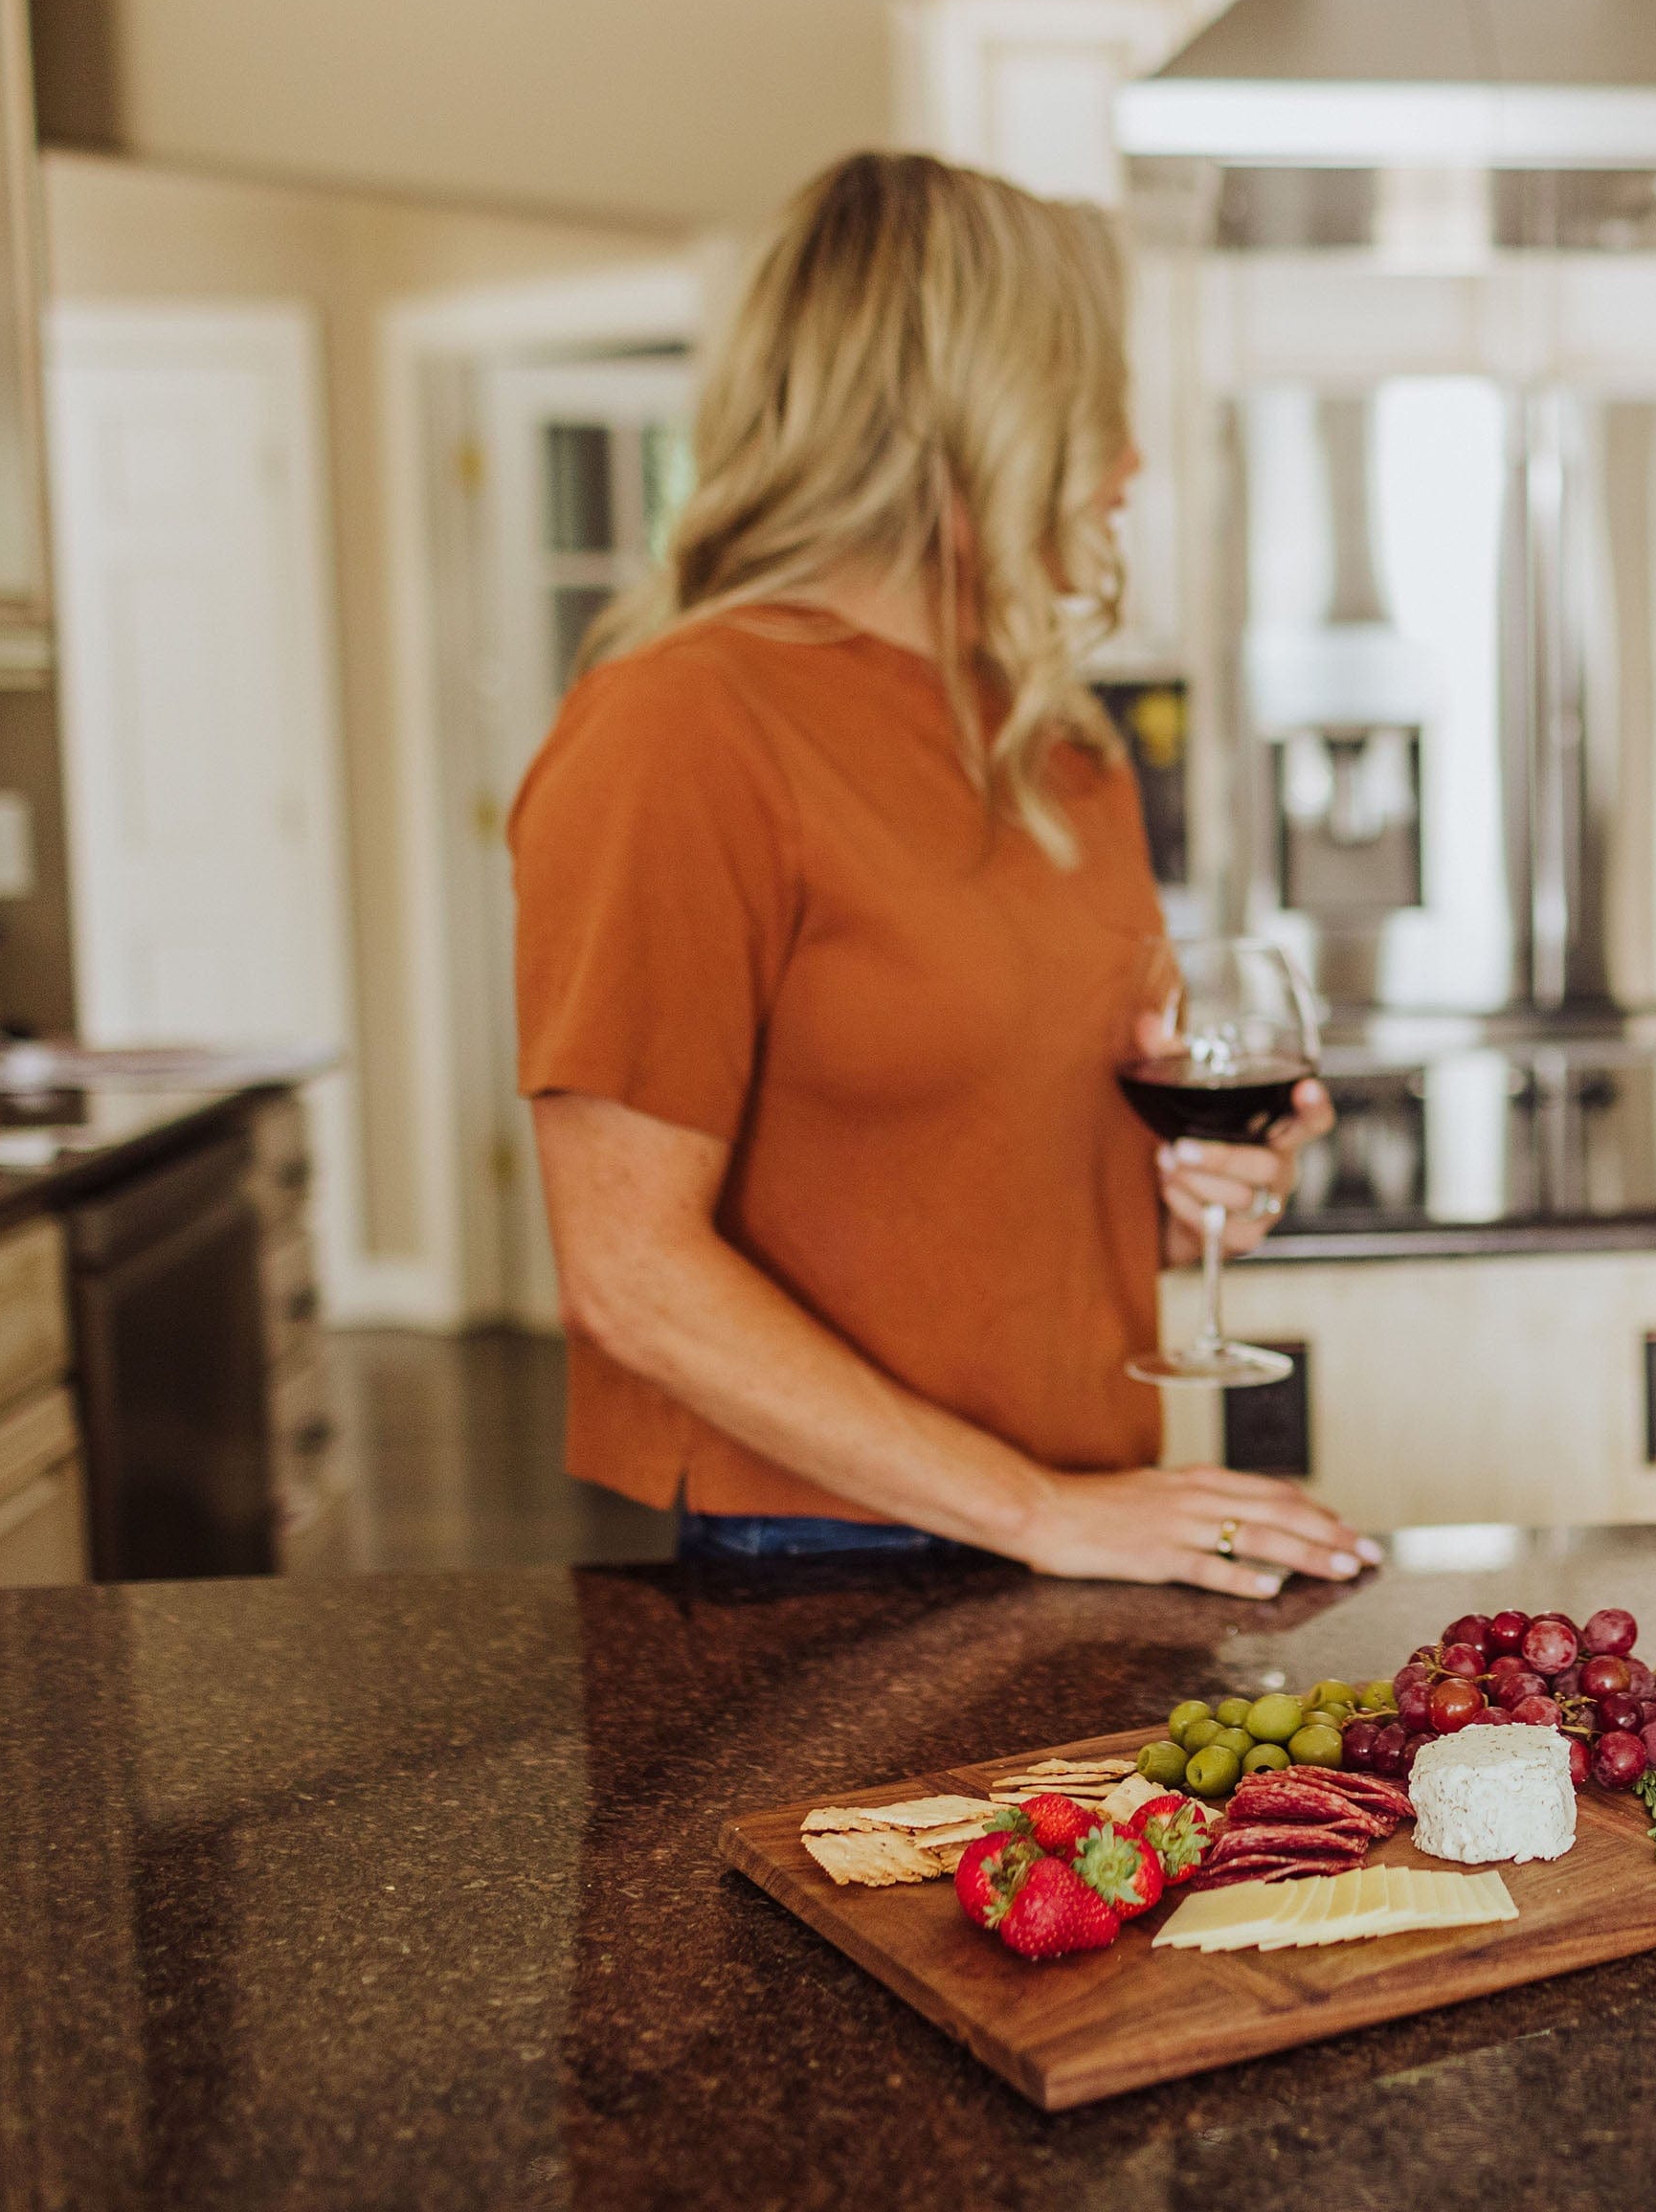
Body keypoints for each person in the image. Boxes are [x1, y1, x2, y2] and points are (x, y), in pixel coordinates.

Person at [509, 152, 1372, 1596]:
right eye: (1093, 402)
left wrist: (1196, 1191)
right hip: (825, 1560)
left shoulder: (1051, 743)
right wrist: (1045, 1512)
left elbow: (1015, 1161)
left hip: (1082, 1523)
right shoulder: (682, 726)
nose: (1131, 465)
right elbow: (629, 1275)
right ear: (968, 418)